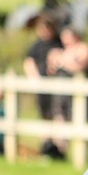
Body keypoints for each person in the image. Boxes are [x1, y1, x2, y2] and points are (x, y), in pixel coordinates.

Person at [24, 15, 65, 159]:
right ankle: (46, 146)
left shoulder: (58, 43)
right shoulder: (37, 45)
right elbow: (29, 62)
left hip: (57, 86)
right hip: (42, 87)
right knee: (44, 115)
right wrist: (35, 80)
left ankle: (59, 148)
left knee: (58, 115)